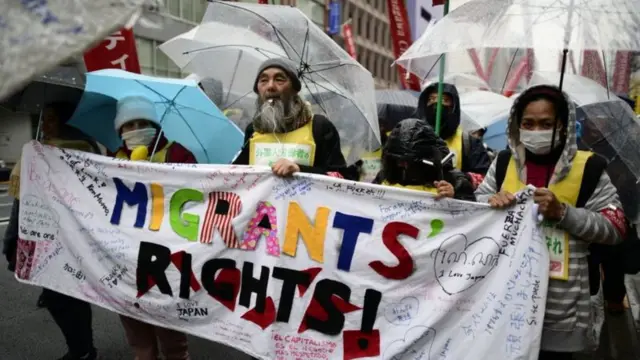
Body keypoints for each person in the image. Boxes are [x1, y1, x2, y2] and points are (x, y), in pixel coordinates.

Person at [475, 85, 627, 359]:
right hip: (503, 301)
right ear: (516, 125)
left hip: (561, 308)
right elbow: (477, 206)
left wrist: (564, 214)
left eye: (546, 124)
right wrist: (491, 203)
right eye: (528, 124)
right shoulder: (503, 163)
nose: (536, 131)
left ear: (564, 126)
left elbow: (615, 227)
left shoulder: (590, 168)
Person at [3, 102, 100, 360]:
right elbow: (21, 202)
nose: (44, 125)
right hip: (43, 237)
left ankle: (82, 350)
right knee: (61, 297)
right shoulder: (37, 151)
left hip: (70, 241)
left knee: (65, 298)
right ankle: (83, 348)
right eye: (43, 119)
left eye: (52, 119)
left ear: (67, 124)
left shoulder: (83, 153)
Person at [110, 96, 194, 360]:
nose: (136, 129)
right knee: (134, 325)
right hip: (125, 254)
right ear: (120, 131)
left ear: (155, 125)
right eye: (129, 125)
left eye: (143, 123)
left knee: (168, 325)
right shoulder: (111, 159)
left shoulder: (177, 153)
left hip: (165, 254)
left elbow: (194, 198)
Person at [233, 57, 351, 179]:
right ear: (257, 90)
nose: (270, 86)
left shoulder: (319, 127)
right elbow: (237, 177)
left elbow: (343, 178)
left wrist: (299, 169)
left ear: (295, 89)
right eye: (263, 80)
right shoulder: (253, 130)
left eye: (279, 80)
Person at [373, 118, 475, 201]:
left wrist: (455, 196)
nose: (402, 165)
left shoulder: (452, 179)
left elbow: (473, 213)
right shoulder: (384, 176)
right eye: (397, 160)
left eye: (409, 161)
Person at [413, 82, 492, 179]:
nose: (437, 104)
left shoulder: (469, 143)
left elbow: (483, 178)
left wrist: (457, 181)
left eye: (444, 100)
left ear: (453, 106)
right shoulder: (413, 137)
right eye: (431, 99)